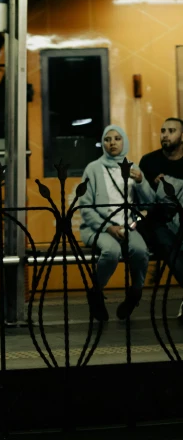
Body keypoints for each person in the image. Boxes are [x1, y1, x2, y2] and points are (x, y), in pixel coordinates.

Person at [79, 125, 154, 321]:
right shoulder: (93, 169)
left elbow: (149, 202)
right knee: (111, 252)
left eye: (117, 138)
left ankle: (135, 293)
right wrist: (108, 228)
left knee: (140, 251)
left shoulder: (134, 168)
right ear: (103, 143)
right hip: (99, 228)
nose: (112, 143)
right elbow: (86, 208)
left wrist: (141, 181)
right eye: (107, 139)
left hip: (127, 226)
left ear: (124, 142)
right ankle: (96, 293)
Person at [138, 117, 183, 289]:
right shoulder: (149, 162)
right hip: (158, 221)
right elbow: (142, 202)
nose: (165, 135)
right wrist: (154, 187)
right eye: (163, 131)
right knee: (167, 243)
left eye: (171, 131)